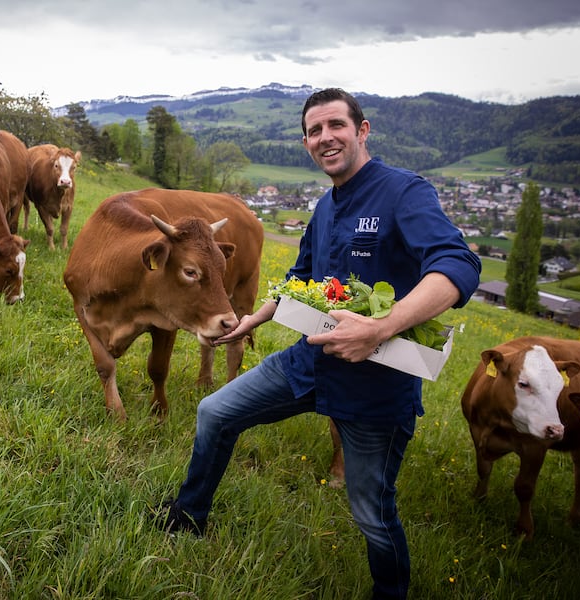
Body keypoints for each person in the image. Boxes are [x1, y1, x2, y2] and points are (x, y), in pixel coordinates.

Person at [156, 88, 482, 600]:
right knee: (215, 412)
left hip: (378, 384)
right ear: (306, 142)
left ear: (362, 130)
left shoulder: (404, 192)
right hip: (312, 360)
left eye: (336, 125)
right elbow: (300, 278)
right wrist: (252, 320)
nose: (325, 138)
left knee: (371, 512)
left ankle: (390, 593)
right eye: (314, 131)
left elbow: (458, 264)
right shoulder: (325, 206)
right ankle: (188, 516)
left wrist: (382, 326)